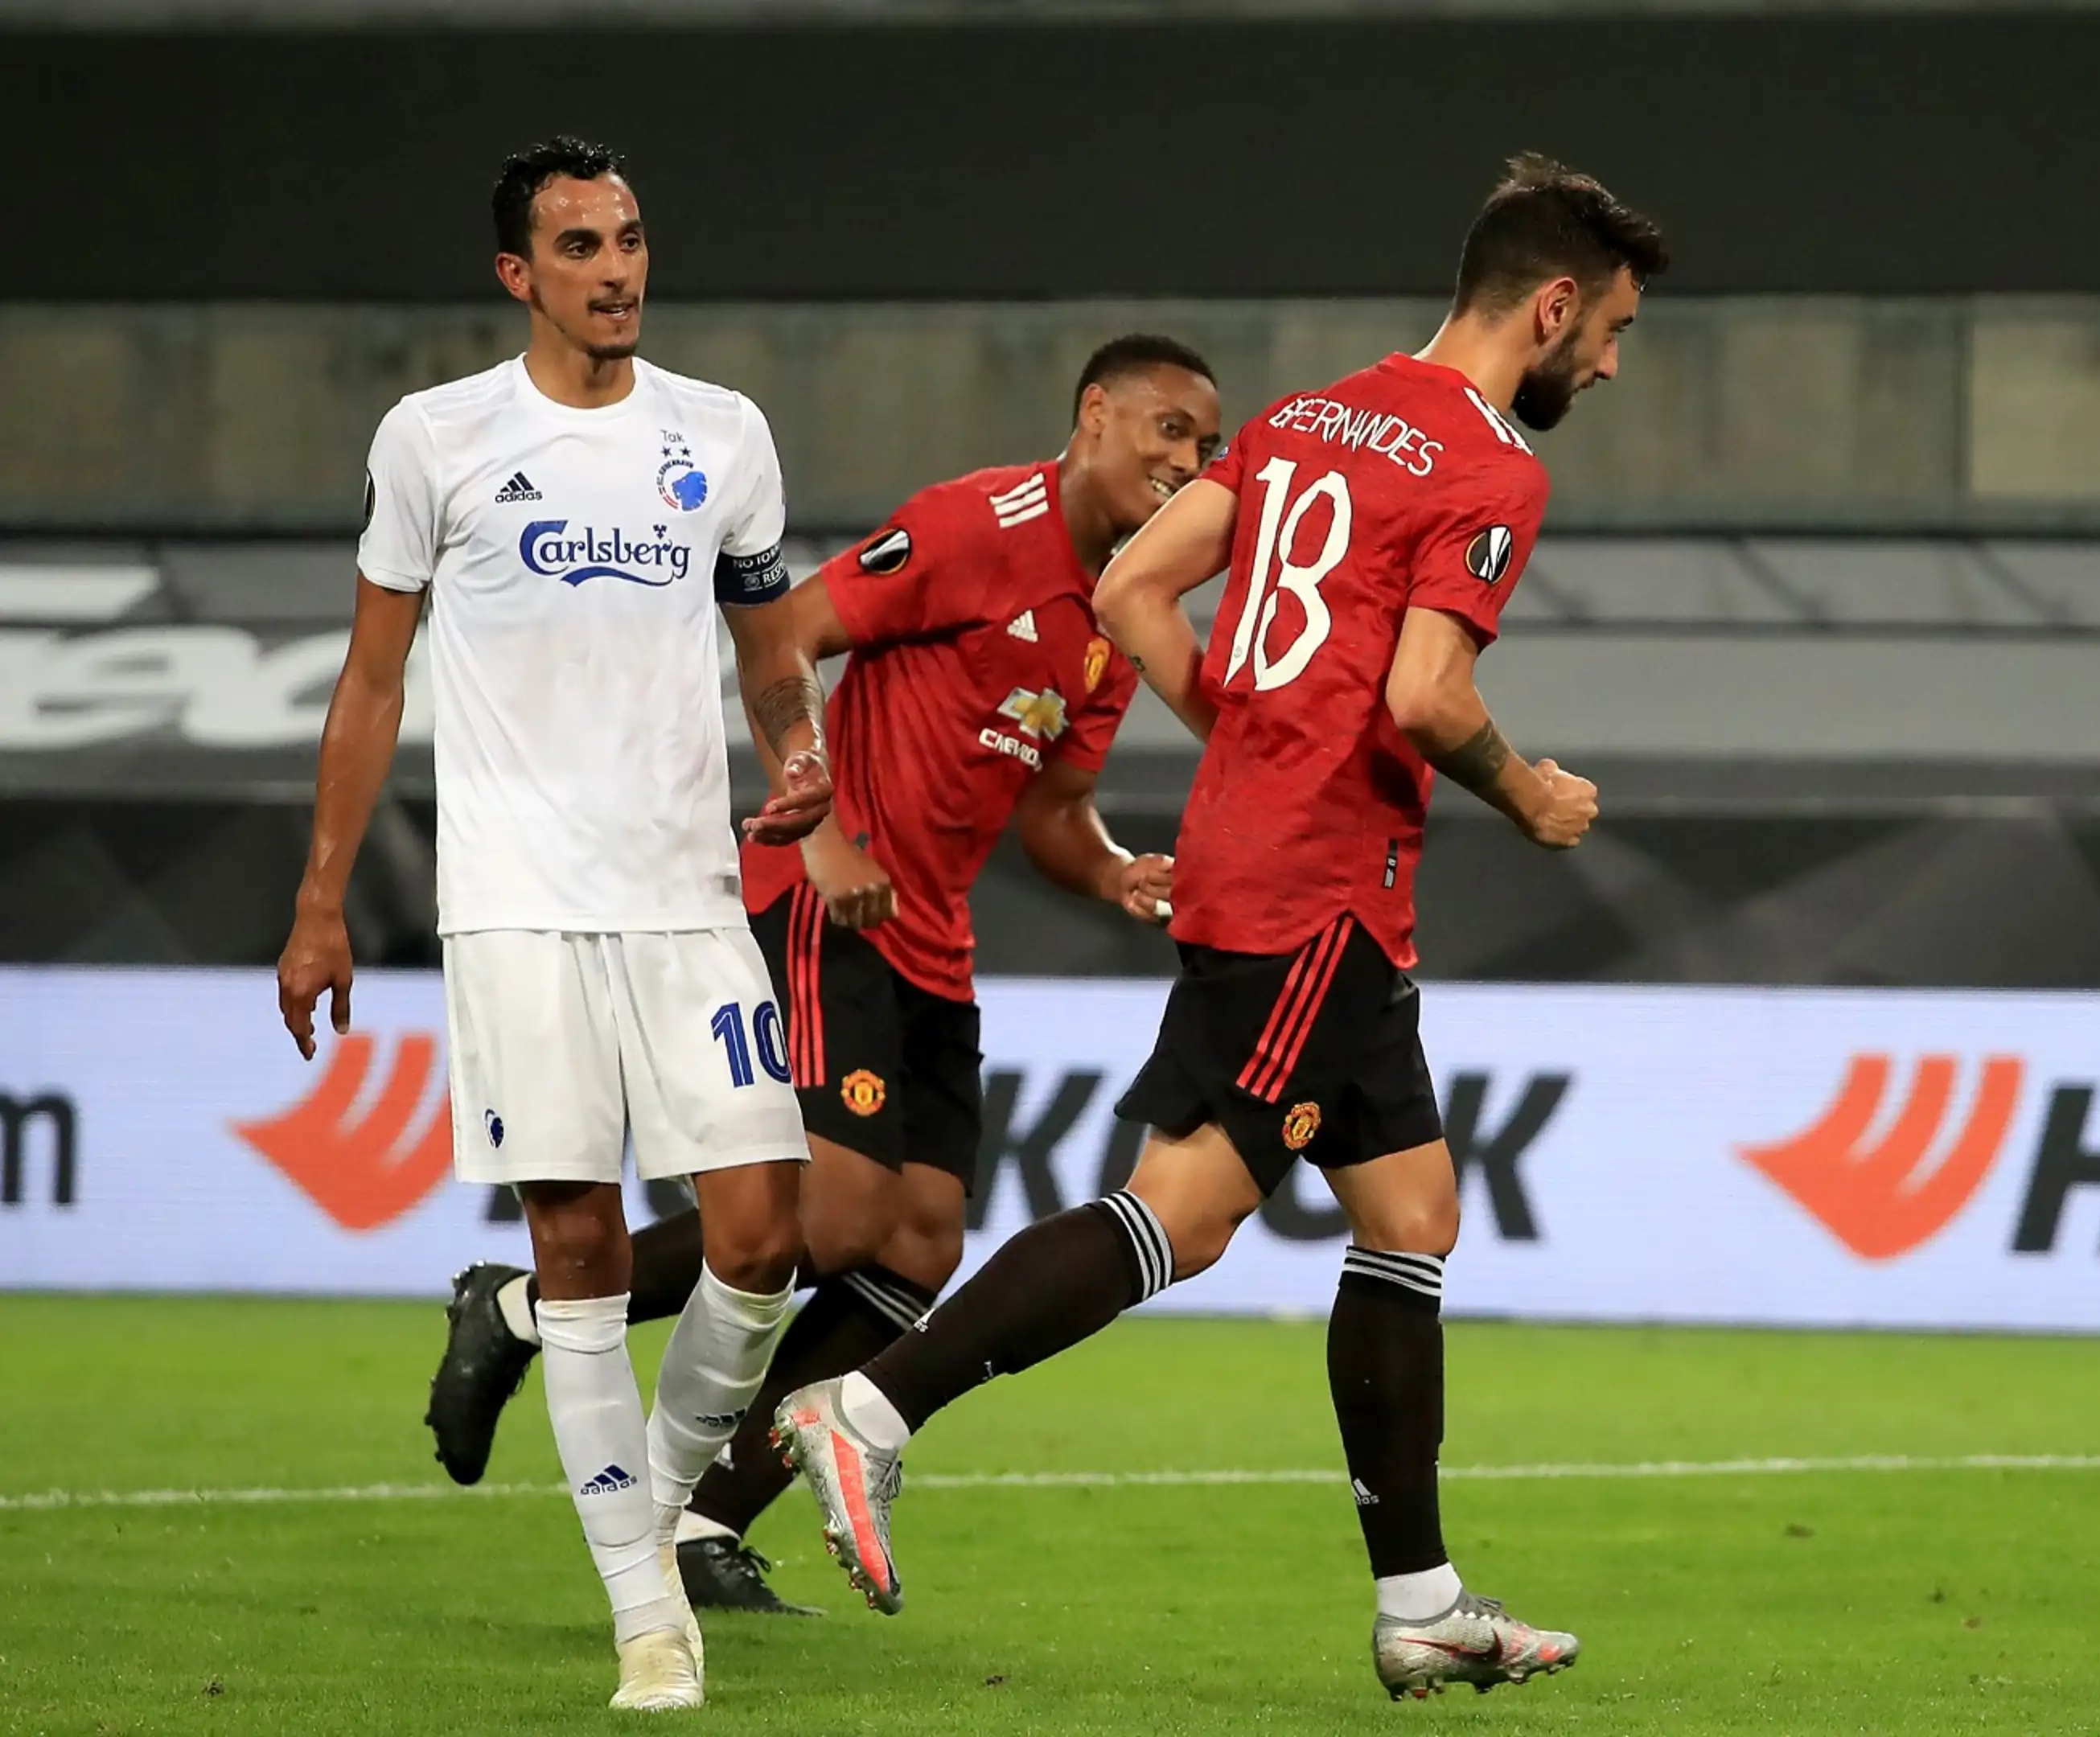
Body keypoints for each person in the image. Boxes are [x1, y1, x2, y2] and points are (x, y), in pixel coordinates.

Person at [766, 154, 1666, 1698]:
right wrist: (1530, 797)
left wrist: (1242, 731)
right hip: (1318, 888)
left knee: (1411, 1214)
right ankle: (869, 1410)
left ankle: (1424, 1605)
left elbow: (1127, 591)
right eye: (1615, 331)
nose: (1609, 361)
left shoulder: (1314, 414)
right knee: (1181, 1215)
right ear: (1558, 303)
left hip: (1282, 874)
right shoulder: (1492, 466)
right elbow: (1427, 697)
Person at [421, 339, 1223, 1616]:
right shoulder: (973, 526)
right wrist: (830, 825)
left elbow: (1057, 813)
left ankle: (700, 1523)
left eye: (1206, 450)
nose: (1186, 463)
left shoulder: (1122, 619)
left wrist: (1119, 871)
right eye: (1169, 431)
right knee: (835, 1212)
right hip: (821, 901)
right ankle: (519, 1307)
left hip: (931, 943)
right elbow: (784, 631)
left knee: (919, 1242)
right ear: (1094, 415)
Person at [275, 136, 833, 1711]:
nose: (619, 271)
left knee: (762, 1232)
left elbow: (769, 651)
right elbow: (373, 679)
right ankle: (644, 1613)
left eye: (633, 240)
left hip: (685, 894)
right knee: (578, 1244)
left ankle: (648, 1519)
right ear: (518, 275)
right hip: (515, 906)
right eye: (581, 247)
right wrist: (321, 905)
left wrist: (798, 755)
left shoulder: (720, 437)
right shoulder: (436, 440)